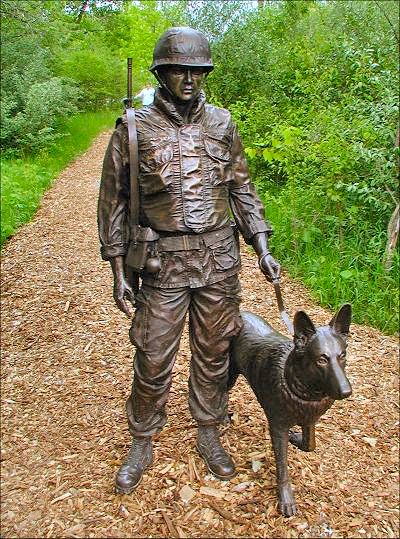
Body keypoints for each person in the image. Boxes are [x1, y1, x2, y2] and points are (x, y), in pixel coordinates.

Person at [97, 27, 281, 495]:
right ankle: (142, 438)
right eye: (180, 69)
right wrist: (119, 269)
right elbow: (114, 203)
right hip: (162, 264)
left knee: (216, 352)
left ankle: (209, 430)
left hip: (219, 259)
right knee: (153, 353)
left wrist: (261, 244)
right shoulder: (133, 130)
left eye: (198, 71)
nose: (190, 79)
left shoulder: (223, 124)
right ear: (161, 72)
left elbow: (242, 188)